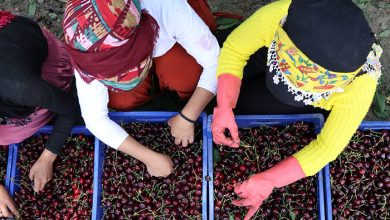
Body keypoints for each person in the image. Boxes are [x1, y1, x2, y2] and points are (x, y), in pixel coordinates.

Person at [211, 0, 382, 219]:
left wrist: (270, 179)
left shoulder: (359, 87)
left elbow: (326, 148)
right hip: (267, 49)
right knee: (218, 64)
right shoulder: (281, 15)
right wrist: (224, 105)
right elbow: (235, 49)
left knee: (248, 106)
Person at [62, 0, 219, 177]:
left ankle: (171, 85)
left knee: (186, 77)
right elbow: (94, 119)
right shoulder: (86, 46)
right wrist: (148, 157)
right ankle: (152, 88)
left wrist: (188, 117)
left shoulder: (166, 7)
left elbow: (215, 62)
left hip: (173, 40)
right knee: (122, 100)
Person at [0, 12, 78, 193]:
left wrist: (47, 157)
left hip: (36, 64)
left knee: (5, 136)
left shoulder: (20, 88)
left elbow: (69, 108)